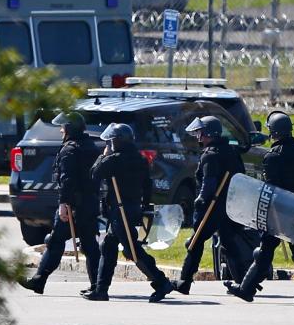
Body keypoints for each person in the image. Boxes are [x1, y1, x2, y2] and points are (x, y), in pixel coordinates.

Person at [225, 111, 294, 303]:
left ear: (274, 133)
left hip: (278, 211)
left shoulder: (272, 157)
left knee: (265, 250)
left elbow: (270, 188)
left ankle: (246, 289)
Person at [86, 122, 176, 303]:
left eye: (111, 141)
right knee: (109, 246)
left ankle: (161, 282)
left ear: (118, 141)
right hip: (131, 208)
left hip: (120, 210)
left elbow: (94, 173)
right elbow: (147, 184)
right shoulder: (139, 158)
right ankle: (101, 289)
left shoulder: (114, 160)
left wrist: (103, 156)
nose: (109, 144)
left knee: (132, 250)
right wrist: (143, 205)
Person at [20, 111, 102, 296]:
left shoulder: (70, 150)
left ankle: (39, 280)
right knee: (90, 245)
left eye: (63, 127)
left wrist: (64, 203)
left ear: (69, 129)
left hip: (73, 206)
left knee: (56, 242)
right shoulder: (91, 147)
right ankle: (98, 285)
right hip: (89, 204)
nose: (61, 131)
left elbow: (67, 180)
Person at [172, 115, 250, 296]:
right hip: (229, 206)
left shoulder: (210, 155)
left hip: (212, 208)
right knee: (229, 243)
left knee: (195, 243)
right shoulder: (231, 152)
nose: (198, 136)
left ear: (209, 133)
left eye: (201, 133)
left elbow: (210, 182)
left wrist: (200, 199)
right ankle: (244, 283)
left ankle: (184, 281)